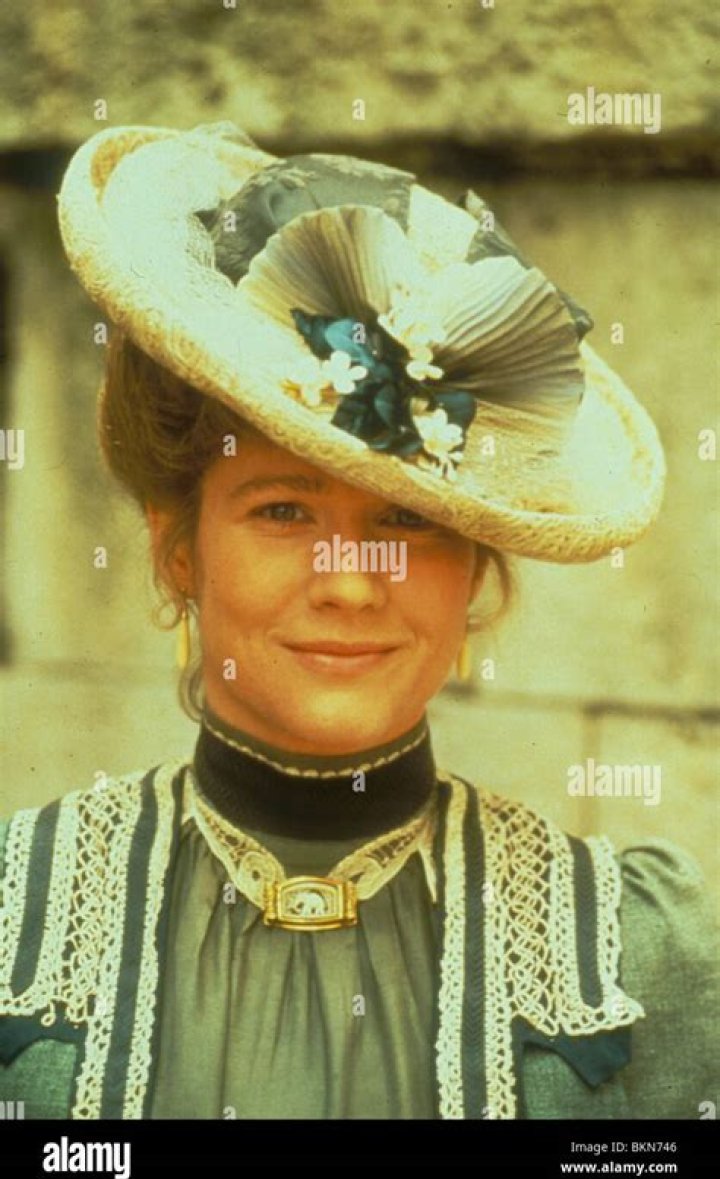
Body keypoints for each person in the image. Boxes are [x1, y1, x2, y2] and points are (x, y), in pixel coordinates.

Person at [0, 122, 716, 1121]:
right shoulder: (17, 914)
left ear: (473, 572)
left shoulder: (643, 952)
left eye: (407, 522)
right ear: (178, 549)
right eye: (283, 512)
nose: (349, 583)